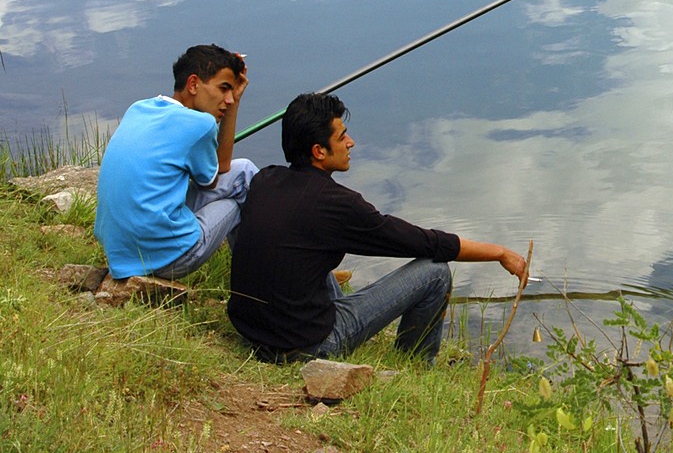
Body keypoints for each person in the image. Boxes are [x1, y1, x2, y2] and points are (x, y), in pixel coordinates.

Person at [226, 92, 528, 363]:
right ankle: (415, 362)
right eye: (342, 137)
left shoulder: (265, 180)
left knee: (299, 247)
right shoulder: (337, 205)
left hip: (251, 336)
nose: (351, 142)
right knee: (435, 273)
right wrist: (498, 252)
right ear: (319, 151)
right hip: (306, 347)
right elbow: (423, 242)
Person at [94, 44, 257, 280]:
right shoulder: (200, 125)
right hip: (168, 258)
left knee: (243, 170)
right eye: (224, 89)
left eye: (232, 93)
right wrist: (236, 106)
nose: (229, 99)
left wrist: (231, 96)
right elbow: (220, 170)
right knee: (241, 186)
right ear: (193, 84)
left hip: (121, 256)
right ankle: (256, 283)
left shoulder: (139, 108)